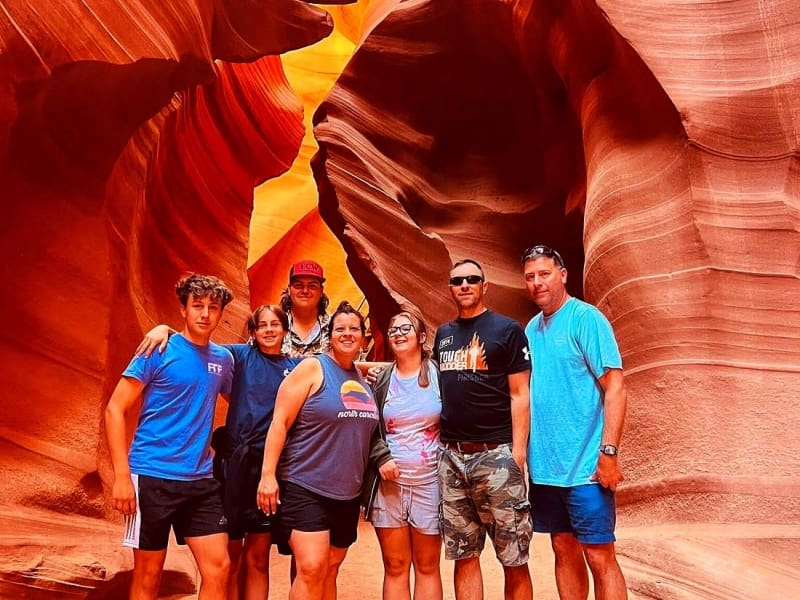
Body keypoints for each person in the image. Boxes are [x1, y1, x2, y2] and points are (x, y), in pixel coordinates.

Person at [135, 305, 302, 600]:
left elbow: (329, 367)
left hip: (270, 467)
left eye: (275, 324)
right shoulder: (238, 356)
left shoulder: (297, 368)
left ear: (285, 330)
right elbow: (198, 342)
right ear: (252, 332)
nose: (269, 330)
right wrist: (165, 329)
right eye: (261, 325)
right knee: (230, 555)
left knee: (259, 557)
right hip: (234, 467)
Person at [104, 273, 235, 600]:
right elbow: (115, 409)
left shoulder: (223, 360)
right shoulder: (158, 348)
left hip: (200, 481)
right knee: (148, 576)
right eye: (198, 305)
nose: (205, 314)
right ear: (184, 309)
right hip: (150, 477)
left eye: (213, 307)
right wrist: (122, 477)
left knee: (219, 568)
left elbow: (247, 399)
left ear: (221, 313)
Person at [521, 245, 628, 600]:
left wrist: (608, 452)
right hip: (547, 470)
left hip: (585, 469)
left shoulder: (586, 319)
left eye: (544, 274)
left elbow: (615, 387)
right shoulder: (532, 329)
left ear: (563, 274)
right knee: (563, 549)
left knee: (599, 555)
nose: (537, 283)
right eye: (530, 277)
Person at [257, 301, 379, 600]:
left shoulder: (363, 381)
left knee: (331, 567)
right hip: (306, 486)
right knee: (311, 567)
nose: (347, 334)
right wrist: (268, 476)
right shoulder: (312, 367)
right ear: (330, 334)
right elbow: (280, 422)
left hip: (347, 494)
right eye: (340, 329)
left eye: (354, 329)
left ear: (364, 338)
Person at [435, 259, 533, 600]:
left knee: (513, 556)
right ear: (450, 288)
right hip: (452, 458)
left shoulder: (506, 330)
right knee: (464, 554)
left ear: (484, 286)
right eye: (457, 280)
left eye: (472, 279)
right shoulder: (443, 335)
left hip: (496, 455)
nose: (464, 285)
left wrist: (517, 452)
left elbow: (521, 394)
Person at [365, 311, 443, 600]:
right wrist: (381, 456)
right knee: (395, 565)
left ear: (422, 337)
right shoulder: (381, 379)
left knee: (427, 565)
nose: (398, 333)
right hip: (389, 486)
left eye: (405, 328)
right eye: (393, 328)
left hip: (429, 483)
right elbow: (366, 424)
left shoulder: (439, 376)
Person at [280, 259, 331, 357]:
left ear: (321, 291)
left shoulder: (335, 327)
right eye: (298, 285)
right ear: (289, 289)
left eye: (312, 286)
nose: (305, 291)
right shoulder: (273, 324)